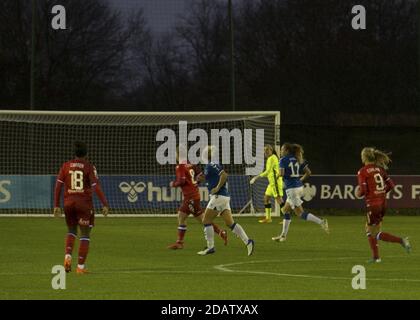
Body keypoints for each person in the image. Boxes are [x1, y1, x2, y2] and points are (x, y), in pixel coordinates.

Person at [53, 141, 109, 274]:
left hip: (68, 204)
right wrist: (105, 204)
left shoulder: (66, 166)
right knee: (85, 234)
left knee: (71, 230)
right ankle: (80, 268)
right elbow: (96, 186)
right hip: (83, 204)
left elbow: (58, 186)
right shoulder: (89, 167)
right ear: (86, 154)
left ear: (75, 153)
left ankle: (67, 258)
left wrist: (56, 205)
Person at [197, 146, 254, 256]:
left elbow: (224, 175)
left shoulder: (212, 164)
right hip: (223, 197)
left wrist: (217, 188)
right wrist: (203, 178)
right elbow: (213, 178)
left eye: (203, 153)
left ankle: (210, 247)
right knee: (230, 223)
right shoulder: (208, 166)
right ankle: (248, 242)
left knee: (206, 221)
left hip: (219, 196)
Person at [356, 147, 411, 263]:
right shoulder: (380, 169)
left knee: (372, 232)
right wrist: (380, 193)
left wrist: (358, 193)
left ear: (364, 157)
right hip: (383, 203)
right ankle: (376, 258)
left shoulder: (362, 171)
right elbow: (391, 185)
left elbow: (363, 190)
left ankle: (401, 241)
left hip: (373, 204)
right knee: (373, 229)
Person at [167, 146, 227, 249]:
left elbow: (182, 181)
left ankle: (180, 243)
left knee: (181, 216)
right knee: (203, 220)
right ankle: (221, 232)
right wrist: (195, 183)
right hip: (194, 195)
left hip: (190, 197)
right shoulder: (192, 165)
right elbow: (201, 175)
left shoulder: (180, 167)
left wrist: (174, 184)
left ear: (177, 155)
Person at [272, 143, 329, 242]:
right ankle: (283, 236)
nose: (281, 152)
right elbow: (309, 172)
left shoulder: (283, 160)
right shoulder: (298, 158)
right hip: (299, 187)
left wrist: (276, 177)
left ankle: (321, 222)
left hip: (292, 189)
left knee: (301, 214)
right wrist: (300, 181)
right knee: (285, 210)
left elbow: (281, 174)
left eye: (282, 150)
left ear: (287, 151)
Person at [250, 145, 283, 223]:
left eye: (267, 151)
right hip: (271, 183)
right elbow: (268, 172)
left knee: (279, 200)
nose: (265, 152)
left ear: (271, 150)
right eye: (265, 151)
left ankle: (287, 218)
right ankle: (268, 218)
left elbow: (267, 172)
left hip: (276, 181)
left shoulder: (273, 158)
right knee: (266, 199)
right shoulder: (270, 158)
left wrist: (256, 177)